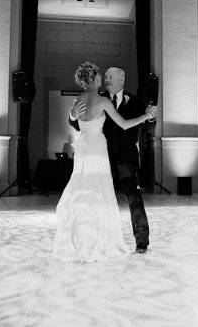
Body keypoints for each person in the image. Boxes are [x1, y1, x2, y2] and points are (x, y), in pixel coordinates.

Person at [58, 62, 156, 261]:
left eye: (111, 77)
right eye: (106, 76)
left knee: (132, 198)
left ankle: (142, 242)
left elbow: (147, 125)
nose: (107, 80)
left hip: (124, 159)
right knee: (98, 197)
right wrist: (71, 115)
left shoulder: (135, 101)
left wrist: (150, 117)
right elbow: (75, 121)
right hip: (101, 157)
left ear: (122, 80)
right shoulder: (101, 99)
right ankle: (97, 240)